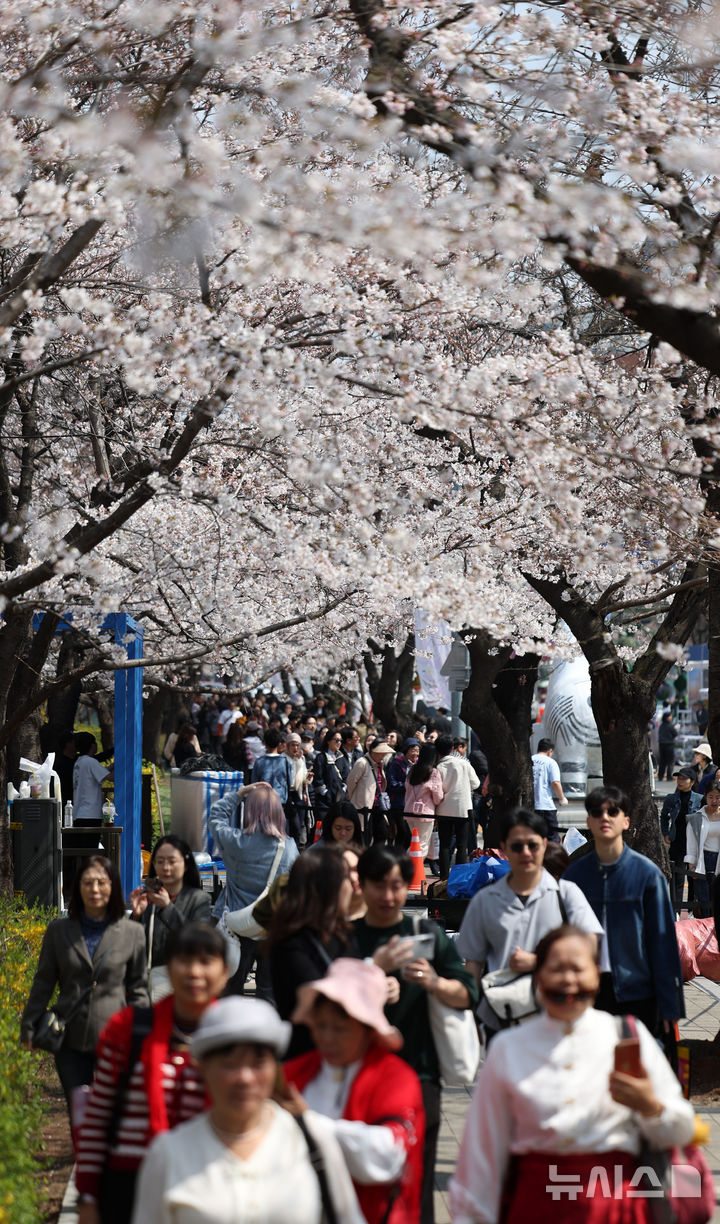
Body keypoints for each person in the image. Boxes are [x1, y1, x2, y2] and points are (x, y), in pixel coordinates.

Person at [450, 925, 695, 1224]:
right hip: (535, 1207)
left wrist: (651, 1107)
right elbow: (482, 1154)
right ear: (538, 978)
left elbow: (683, 1130)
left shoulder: (628, 1036)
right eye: (557, 969)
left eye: (578, 969)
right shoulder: (508, 1048)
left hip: (616, 1209)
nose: (568, 980)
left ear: (596, 974)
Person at [132, 996, 365, 1224]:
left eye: (258, 1063)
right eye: (229, 1064)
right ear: (202, 1069)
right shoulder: (169, 1154)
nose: (244, 1078)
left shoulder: (311, 1138)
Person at [352, 844, 478, 1224]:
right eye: (379, 885)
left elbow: (468, 994)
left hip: (419, 1074)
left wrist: (435, 982)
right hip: (358, 1075)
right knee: (360, 1179)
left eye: (397, 886)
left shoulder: (424, 934)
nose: (389, 896)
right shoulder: (344, 939)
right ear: (361, 886)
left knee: (418, 1179)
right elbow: (328, 1004)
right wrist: (372, 971)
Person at [75, 923, 229, 1224]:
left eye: (206, 961)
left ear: (224, 973)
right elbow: (98, 1117)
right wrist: (88, 1198)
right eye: (184, 960)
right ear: (168, 969)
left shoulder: (236, 1041)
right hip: (127, 1187)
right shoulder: (127, 1030)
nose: (194, 972)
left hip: (207, 1184)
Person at [284, 958, 425, 1224]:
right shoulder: (295, 1073)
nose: (326, 1038)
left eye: (340, 1029)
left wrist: (308, 1123)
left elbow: (387, 1156)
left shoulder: (396, 1077)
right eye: (321, 1025)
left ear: (369, 1030)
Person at [456, 809, 602, 1042]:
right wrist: (469, 1016)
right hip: (501, 1020)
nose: (525, 853)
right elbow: (473, 965)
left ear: (545, 845)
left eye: (532, 845)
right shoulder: (485, 901)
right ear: (503, 847)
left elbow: (591, 947)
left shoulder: (566, 894)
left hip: (558, 1017)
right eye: (517, 846)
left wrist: (540, 961)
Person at [21, 855, 148, 1115]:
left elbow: (138, 990)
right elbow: (43, 982)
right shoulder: (58, 931)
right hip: (70, 1038)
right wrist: (29, 1026)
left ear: (112, 887)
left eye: (102, 882)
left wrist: (142, 1033)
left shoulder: (131, 933)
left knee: (113, 1114)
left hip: (116, 1038)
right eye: (88, 882)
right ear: (78, 887)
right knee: (79, 1114)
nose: (95, 889)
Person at [564, 786, 684, 1037]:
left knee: (634, 1070)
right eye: (597, 812)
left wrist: (670, 1004)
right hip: (585, 992)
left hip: (637, 991)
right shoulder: (573, 877)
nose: (605, 817)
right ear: (588, 821)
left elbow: (663, 943)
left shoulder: (648, 875)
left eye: (613, 811)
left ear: (626, 821)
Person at [209, 781, 298, 998]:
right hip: (271, 927)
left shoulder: (235, 841)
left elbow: (215, 816)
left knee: (230, 989)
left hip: (234, 925)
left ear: (249, 811)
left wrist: (240, 793)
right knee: (268, 992)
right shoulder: (290, 847)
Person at [267, 848, 355, 1058]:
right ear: (327, 888)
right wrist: (374, 969)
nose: (351, 885)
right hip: (307, 1060)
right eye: (345, 878)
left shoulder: (344, 934)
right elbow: (322, 1001)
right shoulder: (291, 943)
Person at [129, 835, 211, 1000]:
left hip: (183, 983)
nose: (166, 867)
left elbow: (197, 942)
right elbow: (130, 944)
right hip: (146, 984)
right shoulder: (148, 897)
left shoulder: (198, 899)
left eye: (172, 861)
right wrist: (136, 916)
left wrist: (167, 908)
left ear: (185, 865)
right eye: (160, 861)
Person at [434, 734, 480, 878]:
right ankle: (459, 878)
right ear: (453, 748)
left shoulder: (438, 766)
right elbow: (476, 784)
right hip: (463, 809)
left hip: (443, 809)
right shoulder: (464, 763)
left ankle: (443, 878)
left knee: (445, 845)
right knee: (462, 845)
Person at [660, 766, 703, 916]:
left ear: (692, 782)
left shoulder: (699, 798)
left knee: (693, 879)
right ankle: (675, 911)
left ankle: (692, 910)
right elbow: (664, 816)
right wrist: (665, 833)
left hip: (694, 844)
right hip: (677, 842)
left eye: (684, 778)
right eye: (679, 778)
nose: (680, 781)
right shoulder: (671, 799)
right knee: (677, 878)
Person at [346, 739, 396, 843]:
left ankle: (376, 857)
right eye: (380, 752)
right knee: (365, 837)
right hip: (363, 806)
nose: (383, 755)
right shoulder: (362, 763)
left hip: (377, 805)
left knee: (382, 833)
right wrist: (353, 798)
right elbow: (351, 782)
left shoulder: (379, 763)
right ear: (373, 751)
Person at [685, 782, 720, 918]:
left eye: (718, 797)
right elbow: (691, 843)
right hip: (703, 860)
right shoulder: (696, 818)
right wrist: (691, 865)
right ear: (705, 797)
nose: (714, 801)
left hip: (718, 859)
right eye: (711, 797)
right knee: (704, 898)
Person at [404, 741, 443, 860]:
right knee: (422, 845)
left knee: (415, 842)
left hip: (409, 811)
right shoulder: (433, 772)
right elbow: (438, 796)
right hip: (425, 813)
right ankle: (411, 870)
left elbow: (407, 789)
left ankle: (407, 868)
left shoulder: (412, 770)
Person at [385, 738, 419, 850]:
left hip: (413, 804)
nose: (415, 753)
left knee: (410, 834)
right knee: (402, 831)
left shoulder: (418, 764)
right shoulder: (397, 762)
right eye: (413, 750)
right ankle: (397, 854)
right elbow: (392, 782)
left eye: (417, 750)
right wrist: (407, 785)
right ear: (406, 750)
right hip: (399, 803)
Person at [531, 737, 567, 843]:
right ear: (550, 751)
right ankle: (551, 859)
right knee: (552, 839)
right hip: (546, 807)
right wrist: (562, 798)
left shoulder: (529, 760)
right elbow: (555, 783)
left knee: (534, 838)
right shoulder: (550, 762)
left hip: (530, 806)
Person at [73, 731, 111, 826]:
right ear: (92, 745)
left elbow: (100, 772)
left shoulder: (79, 762)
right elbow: (110, 777)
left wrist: (112, 766)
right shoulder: (91, 762)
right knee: (91, 841)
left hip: (79, 814)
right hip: (90, 815)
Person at [312, 727, 347, 820]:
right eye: (336, 740)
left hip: (340, 800)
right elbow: (318, 778)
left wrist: (342, 791)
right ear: (328, 741)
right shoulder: (321, 757)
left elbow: (346, 776)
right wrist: (326, 793)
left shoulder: (342, 758)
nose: (339, 742)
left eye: (340, 740)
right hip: (324, 802)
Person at [656, 712, 678, 781]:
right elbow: (675, 733)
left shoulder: (661, 725)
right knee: (670, 762)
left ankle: (660, 776)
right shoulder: (670, 726)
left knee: (662, 761)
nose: (671, 718)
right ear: (667, 717)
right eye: (670, 716)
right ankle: (669, 776)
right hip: (669, 745)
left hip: (661, 745)